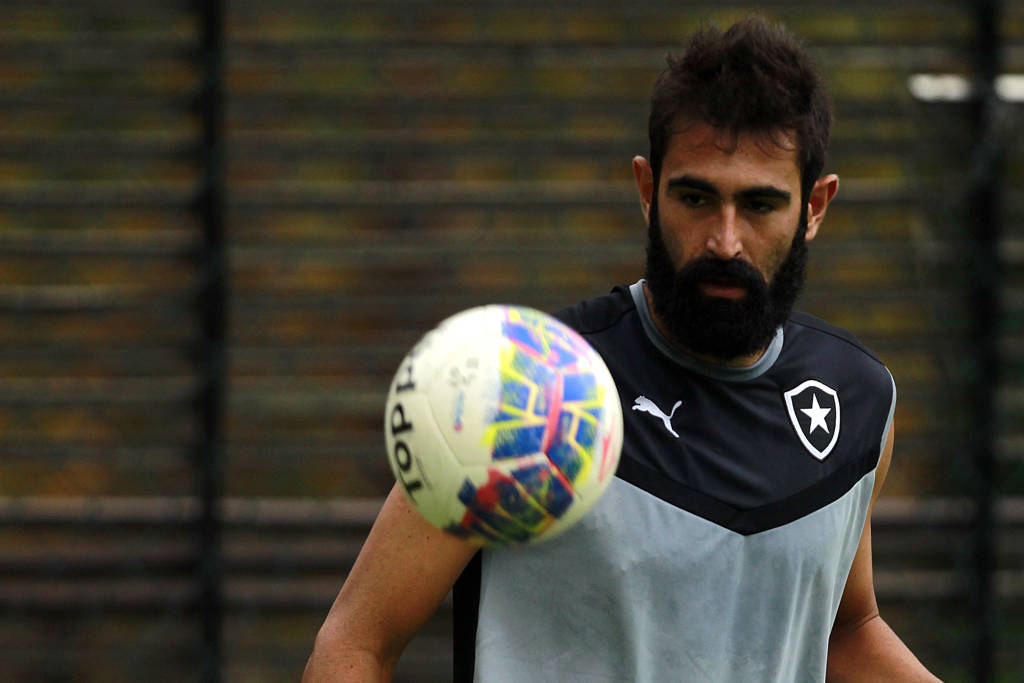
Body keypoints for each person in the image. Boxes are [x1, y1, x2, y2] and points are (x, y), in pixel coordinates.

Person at [304, 16, 941, 682]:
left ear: (814, 206)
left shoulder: (857, 400)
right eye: (696, 198)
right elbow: (356, 643)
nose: (725, 240)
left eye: (759, 205)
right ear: (647, 190)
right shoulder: (520, 384)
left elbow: (843, 626)